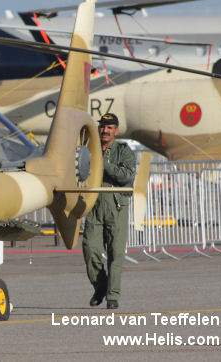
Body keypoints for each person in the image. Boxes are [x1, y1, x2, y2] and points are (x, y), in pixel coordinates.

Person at [83, 113, 136, 309]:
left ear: (116, 130)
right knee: (90, 249)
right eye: (102, 127)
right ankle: (100, 287)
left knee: (116, 253)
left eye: (109, 127)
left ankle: (112, 295)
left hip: (116, 206)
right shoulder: (88, 149)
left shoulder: (123, 151)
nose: (105, 130)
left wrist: (102, 163)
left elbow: (126, 176)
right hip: (94, 205)